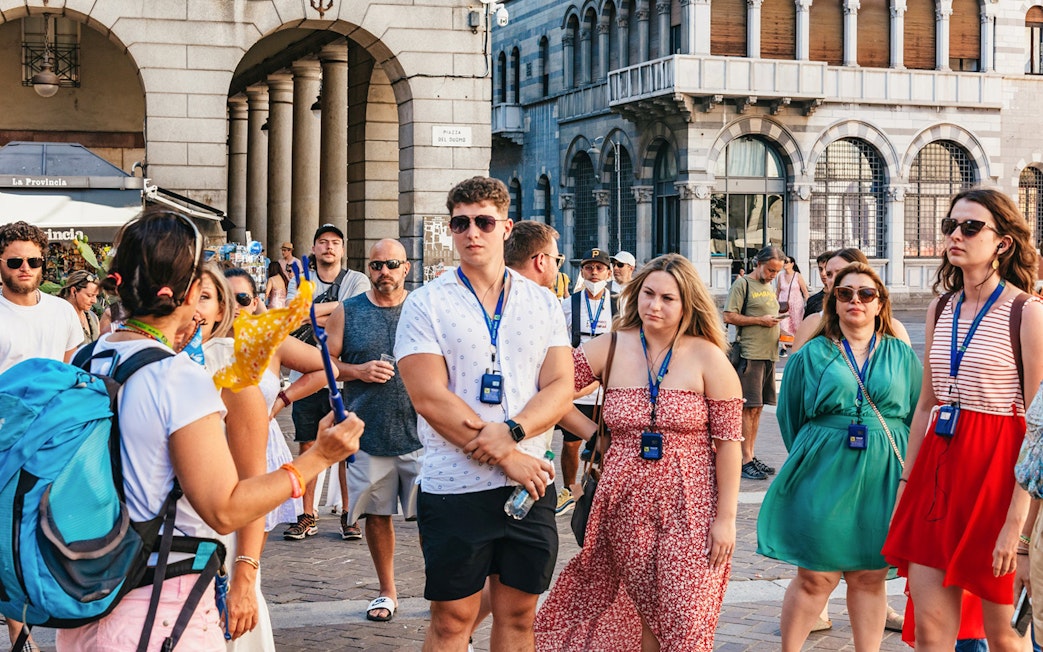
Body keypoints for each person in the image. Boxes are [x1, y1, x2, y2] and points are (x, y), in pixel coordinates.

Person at [55, 208, 364, 650]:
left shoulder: (89, 358)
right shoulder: (177, 378)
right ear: (190, 291)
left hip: (87, 601)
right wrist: (319, 458)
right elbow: (225, 509)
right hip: (161, 609)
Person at [396, 176, 573, 652]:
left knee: (519, 616)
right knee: (453, 619)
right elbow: (429, 397)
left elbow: (561, 385)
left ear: (504, 227)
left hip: (528, 483)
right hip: (455, 483)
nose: (471, 232)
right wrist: (506, 456)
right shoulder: (425, 303)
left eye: (483, 222)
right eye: (460, 223)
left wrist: (513, 433)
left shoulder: (543, 301)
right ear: (451, 229)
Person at [534, 253, 743, 651]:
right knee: (646, 611)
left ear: (688, 304)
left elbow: (729, 445)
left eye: (668, 298)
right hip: (625, 502)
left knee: (686, 615)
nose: (655, 306)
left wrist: (726, 519)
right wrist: (594, 433)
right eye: (648, 294)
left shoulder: (709, 357)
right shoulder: (610, 347)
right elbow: (550, 393)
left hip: (692, 502)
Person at [882, 187, 1043, 651]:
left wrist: (1020, 526)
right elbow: (926, 405)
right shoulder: (941, 307)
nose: (956, 235)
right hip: (939, 467)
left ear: (1003, 242)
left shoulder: (1027, 313)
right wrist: (905, 485)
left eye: (971, 227)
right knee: (932, 632)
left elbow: (1039, 429)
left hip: (999, 470)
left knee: (1004, 635)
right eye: (950, 226)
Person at [757, 262, 922, 651]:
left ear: (880, 303)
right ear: (833, 301)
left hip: (883, 471)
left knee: (869, 574)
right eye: (845, 294)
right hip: (823, 469)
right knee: (816, 575)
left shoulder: (900, 353)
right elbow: (791, 414)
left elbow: (918, 413)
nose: (856, 301)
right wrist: (816, 450)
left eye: (866, 294)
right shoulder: (812, 353)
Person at [322, 238, 422, 623]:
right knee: (377, 516)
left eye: (392, 265)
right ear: (368, 269)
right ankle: (387, 591)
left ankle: (441, 591)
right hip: (368, 433)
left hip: (422, 434)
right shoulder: (348, 311)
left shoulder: (422, 308)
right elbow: (326, 363)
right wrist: (358, 371)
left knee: (432, 517)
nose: (385, 273)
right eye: (377, 266)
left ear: (406, 268)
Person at [0, 222, 82, 650]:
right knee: (12, 533)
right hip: (7, 441)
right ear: (1, 265)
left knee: (52, 531)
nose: (25, 268)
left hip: (58, 438)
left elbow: (73, 371)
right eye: (15, 261)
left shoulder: (62, 311)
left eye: (33, 260)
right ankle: (22, 635)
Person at [285, 223, 370, 541]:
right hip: (305, 378)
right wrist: (333, 312)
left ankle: (351, 515)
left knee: (349, 449)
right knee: (307, 446)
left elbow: (352, 315)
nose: (329, 247)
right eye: (323, 242)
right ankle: (307, 515)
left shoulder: (357, 280)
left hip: (346, 376)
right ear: (314, 248)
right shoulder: (301, 279)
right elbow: (292, 317)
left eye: (335, 242)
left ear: (343, 249)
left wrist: (312, 313)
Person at [557, 247, 617, 515]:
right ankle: (571, 490)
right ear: (581, 271)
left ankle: (602, 491)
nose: (594, 272)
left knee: (607, 442)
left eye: (599, 268)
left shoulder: (620, 303)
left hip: (608, 386)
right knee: (571, 443)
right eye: (589, 268)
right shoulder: (568, 304)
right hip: (579, 385)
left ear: (609, 272)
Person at [723, 245, 786, 480]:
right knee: (747, 409)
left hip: (769, 354)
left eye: (776, 272)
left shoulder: (768, 286)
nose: (772, 275)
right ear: (758, 264)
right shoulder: (743, 284)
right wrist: (761, 320)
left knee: (758, 408)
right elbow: (728, 315)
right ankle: (743, 459)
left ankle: (751, 453)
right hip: (750, 354)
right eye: (770, 270)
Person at [504, 220, 564, 290]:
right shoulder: (547, 299)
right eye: (557, 260)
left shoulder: (492, 295)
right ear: (541, 261)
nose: (557, 268)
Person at [59, 269, 102, 345]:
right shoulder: (60, 318)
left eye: (96, 296)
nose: (94, 301)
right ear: (73, 291)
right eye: (90, 295)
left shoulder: (93, 318)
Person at [776, 256, 808, 356]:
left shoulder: (797, 276)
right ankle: (784, 347)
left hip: (796, 305)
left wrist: (808, 304)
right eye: (783, 261)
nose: (784, 263)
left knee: (797, 325)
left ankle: (797, 346)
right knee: (784, 325)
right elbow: (778, 291)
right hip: (783, 305)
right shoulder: (780, 276)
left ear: (792, 264)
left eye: (786, 262)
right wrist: (775, 303)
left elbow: (805, 292)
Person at [803, 251, 834, 319]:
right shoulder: (812, 301)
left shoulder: (845, 299)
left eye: (826, 269)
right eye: (820, 269)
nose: (823, 273)